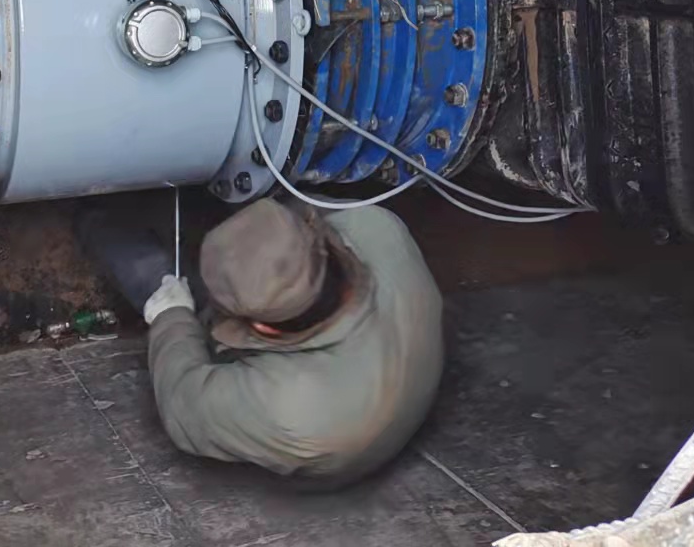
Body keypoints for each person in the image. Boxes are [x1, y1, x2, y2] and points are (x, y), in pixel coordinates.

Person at [83, 197, 443, 486]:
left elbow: (183, 405)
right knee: (264, 239)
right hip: (387, 380)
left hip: (330, 451)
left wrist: (171, 315)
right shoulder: (377, 228)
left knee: (156, 277)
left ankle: (89, 214)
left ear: (264, 330)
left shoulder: (284, 406)